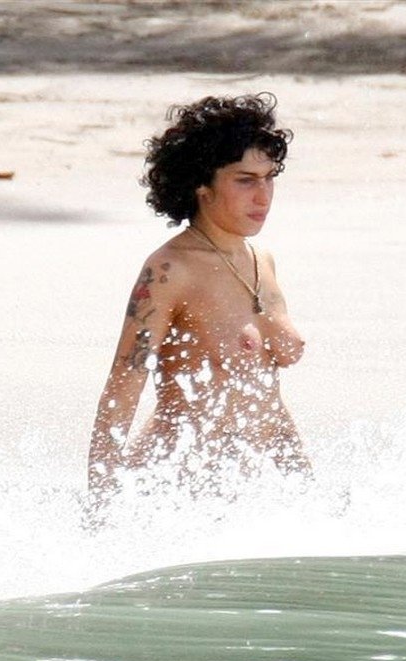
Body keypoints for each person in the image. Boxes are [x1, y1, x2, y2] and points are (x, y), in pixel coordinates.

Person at [87, 93, 309, 504]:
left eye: (269, 177)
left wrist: (303, 483)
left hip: (247, 489)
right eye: (245, 180)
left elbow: (265, 397)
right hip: (173, 488)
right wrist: (102, 501)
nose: (263, 196)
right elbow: (124, 385)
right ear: (202, 185)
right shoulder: (170, 270)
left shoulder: (261, 261)